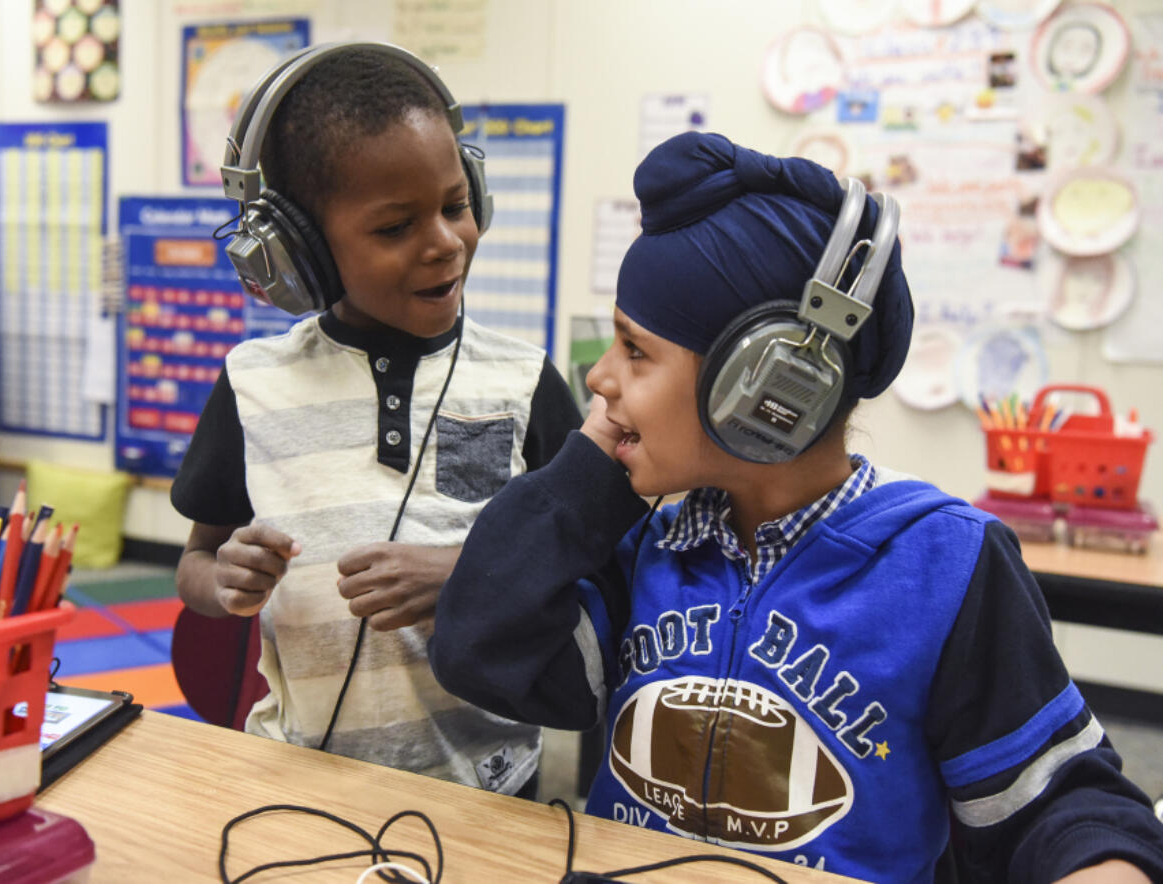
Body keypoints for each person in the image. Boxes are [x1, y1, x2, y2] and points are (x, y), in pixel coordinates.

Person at [429, 132, 1163, 880]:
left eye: (634, 349)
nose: (601, 378)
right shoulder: (652, 544)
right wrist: (590, 468)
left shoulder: (944, 566)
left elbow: (1059, 802)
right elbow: (480, 652)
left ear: (771, 387)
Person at [170, 43, 580, 798]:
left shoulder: (525, 382)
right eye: (394, 228)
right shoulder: (251, 385)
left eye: (456, 205)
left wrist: (467, 574)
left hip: (487, 791)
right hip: (294, 777)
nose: (445, 242)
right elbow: (195, 568)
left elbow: (590, 568)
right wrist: (223, 578)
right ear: (299, 254)